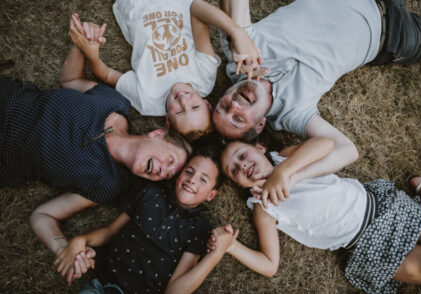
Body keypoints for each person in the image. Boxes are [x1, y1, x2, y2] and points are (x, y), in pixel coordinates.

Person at [0, 26, 191, 272]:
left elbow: (44, 216)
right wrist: (83, 45)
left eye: (168, 176)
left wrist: (63, 250)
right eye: (171, 161)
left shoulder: (109, 184)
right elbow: (70, 81)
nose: (164, 172)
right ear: (157, 135)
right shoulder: (116, 103)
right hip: (9, 99)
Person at [213, 0, 421, 175]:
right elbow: (347, 151)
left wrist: (237, 32)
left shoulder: (239, 59)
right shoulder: (292, 113)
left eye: (223, 106)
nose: (234, 106)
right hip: (393, 32)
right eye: (238, 119)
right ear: (260, 124)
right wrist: (288, 174)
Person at [213, 139, 421, 293]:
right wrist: (231, 247)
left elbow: (326, 144)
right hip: (371, 248)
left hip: (386, 209)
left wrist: (283, 172)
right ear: (239, 184)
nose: (241, 165)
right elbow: (270, 265)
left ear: (260, 147)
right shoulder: (264, 207)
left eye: (241, 155)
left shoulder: (284, 158)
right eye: (234, 171)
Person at [71, 0, 262, 141]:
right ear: (207, 105)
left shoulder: (147, 101)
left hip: (134, 6)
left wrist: (91, 53)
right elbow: (196, 10)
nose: (183, 100)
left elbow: (106, 75)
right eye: (195, 107)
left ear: (168, 120)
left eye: (179, 112)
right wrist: (237, 32)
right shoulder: (204, 79)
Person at [52, 154, 237, 293]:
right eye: (189, 171)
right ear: (179, 174)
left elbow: (174, 291)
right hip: (101, 286)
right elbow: (110, 231)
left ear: (211, 195)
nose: (192, 179)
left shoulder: (199, 227)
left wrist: (216, 255)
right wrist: (80, 240)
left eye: (203, 179)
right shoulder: (150, 193)